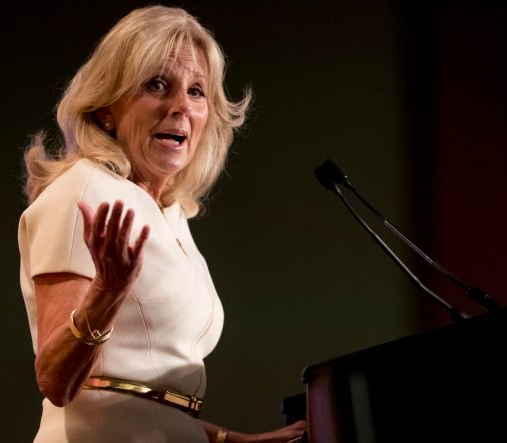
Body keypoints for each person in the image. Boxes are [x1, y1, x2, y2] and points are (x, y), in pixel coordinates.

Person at [17, 5, 307, 442]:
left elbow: (146, 399)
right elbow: (56, 382)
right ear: (106, 109)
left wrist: (233, 441)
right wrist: (107, 293)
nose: (180, 107)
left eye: (196, 91)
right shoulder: (83, 192)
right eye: (156, 85)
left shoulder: (170, 214)